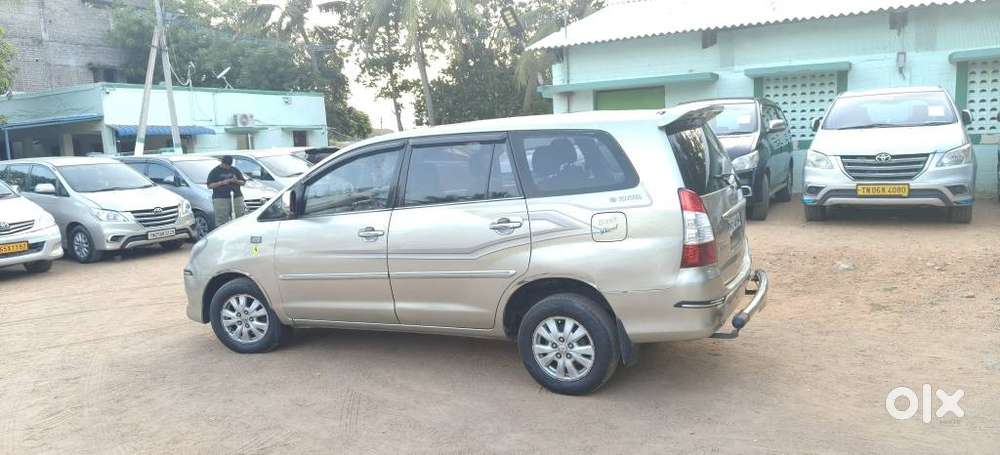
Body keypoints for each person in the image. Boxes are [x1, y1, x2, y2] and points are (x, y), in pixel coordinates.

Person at [206, 156, 246, 227]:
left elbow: (243, 182)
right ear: (222, 163)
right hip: (220, 198)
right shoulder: (215, 171)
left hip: (236, 196)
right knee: (222, 219)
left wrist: (236, 181)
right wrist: (222, 182)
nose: (228, 167)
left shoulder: (234, 170)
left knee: (240, 216)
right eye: (226, 165)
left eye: (229, 165)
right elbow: (209, 185)